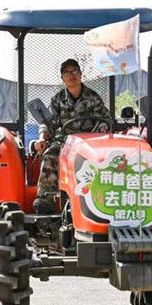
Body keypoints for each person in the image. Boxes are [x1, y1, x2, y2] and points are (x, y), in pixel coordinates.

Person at [33, 59, 111, 214]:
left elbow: (105, 120)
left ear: (80, 75)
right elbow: (48, 123)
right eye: (67, 72)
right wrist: (42, 138)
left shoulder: (93, 97)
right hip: (66, 141)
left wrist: (100, 132)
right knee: (50, 155)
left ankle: (104, 196)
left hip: (90, 142)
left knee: (104, 158)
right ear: (62, 78)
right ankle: (46, 199)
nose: (71, 75)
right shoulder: (57, 99)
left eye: (75, 71)